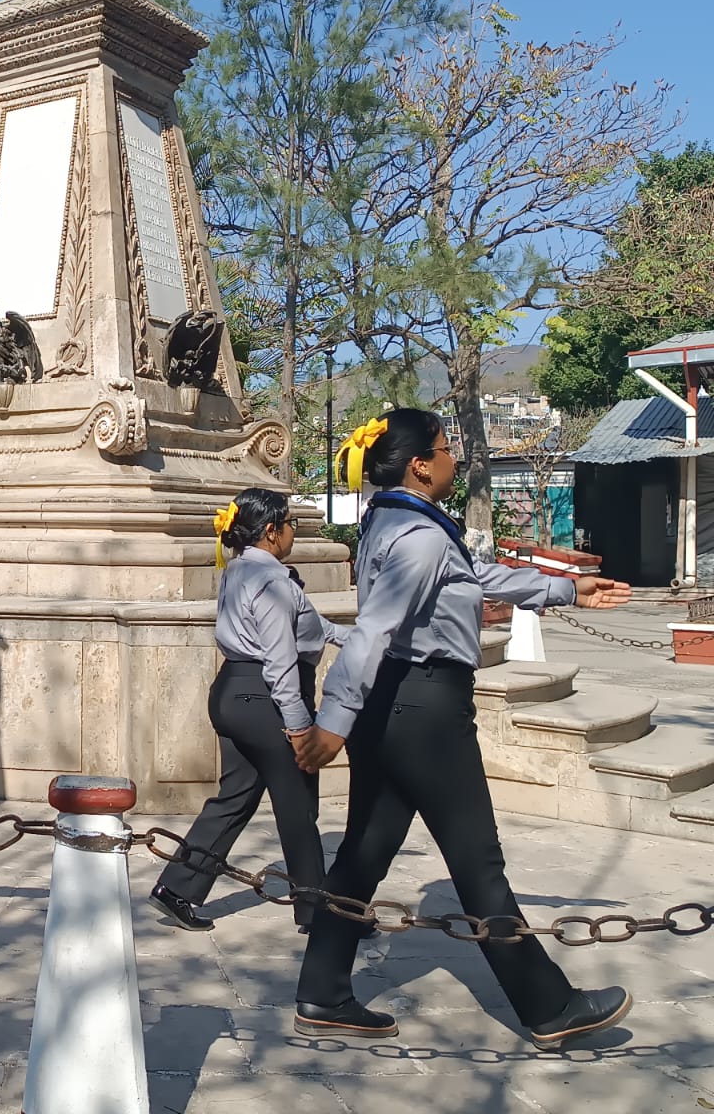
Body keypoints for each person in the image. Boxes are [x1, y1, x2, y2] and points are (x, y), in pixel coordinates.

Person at [292, 409, 634, 1047]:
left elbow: (474, 579)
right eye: (447, 449)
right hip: (425, 708)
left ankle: (322, 991)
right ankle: (549, 1008)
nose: (455, 458)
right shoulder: (418, 535)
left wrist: (566, 588)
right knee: (479, 863)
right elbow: (374, 629)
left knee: (362, 857)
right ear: (420, 464)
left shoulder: (396, 524)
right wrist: (333, 722)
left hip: (397, 707)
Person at [150, 488, 346, 934]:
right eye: (290, 522)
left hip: (232, 692)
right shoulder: (273, 580)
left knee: (236, 796)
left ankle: (177, 887)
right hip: (267, 698)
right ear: (272, 531)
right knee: (298, 809)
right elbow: (280, 664)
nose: (295, 530)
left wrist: (359, 640)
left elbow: (311, 624)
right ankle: (317, 911)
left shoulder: (239, 570)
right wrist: (299, 729)